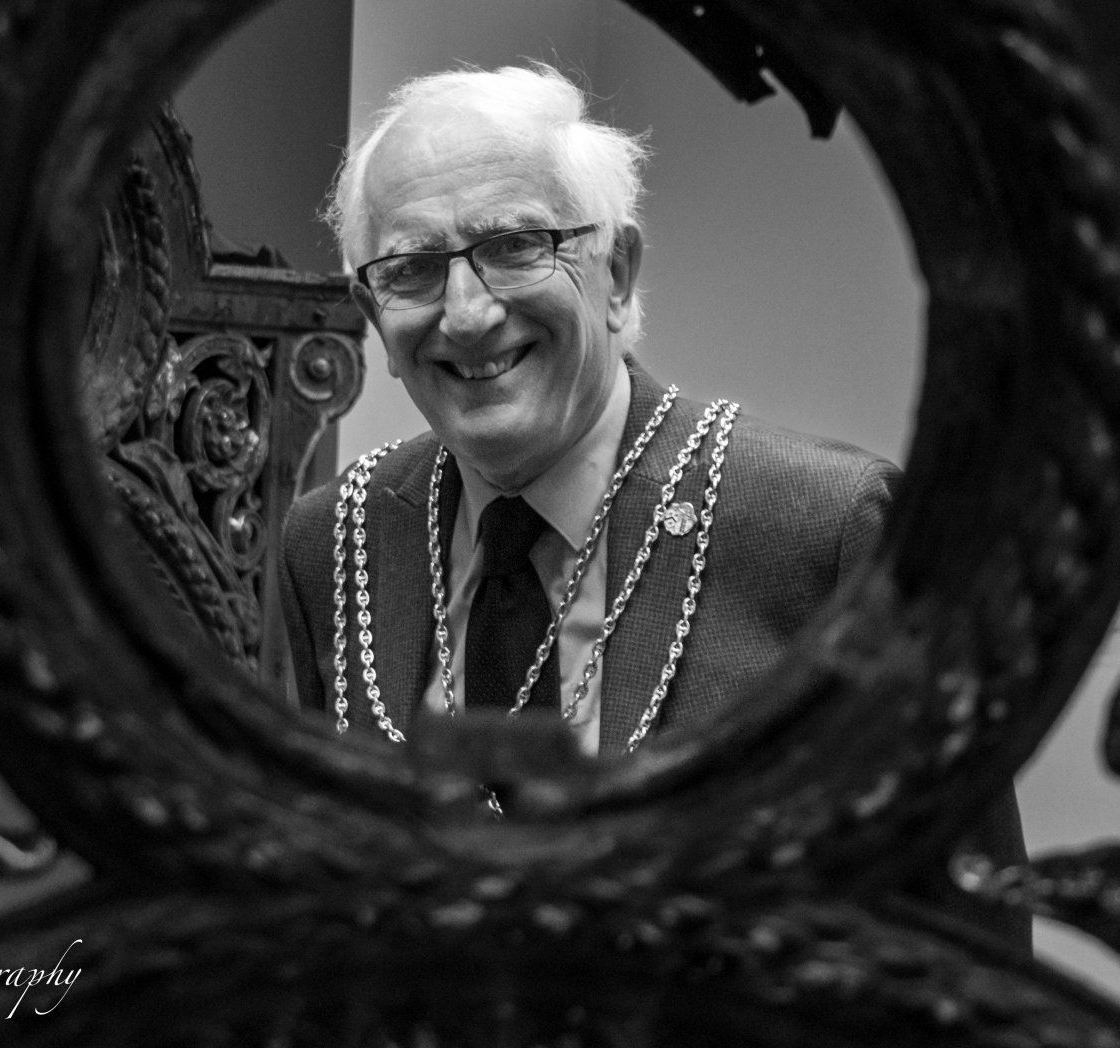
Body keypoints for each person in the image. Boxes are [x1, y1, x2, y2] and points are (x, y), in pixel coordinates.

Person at [277, 63, 1026, 945]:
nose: (468, 314)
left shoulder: (823, 529)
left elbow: (964, 939)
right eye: (412, 269)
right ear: (372, 312)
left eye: (515, 246)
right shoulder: (335, 541)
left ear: (618, 272)